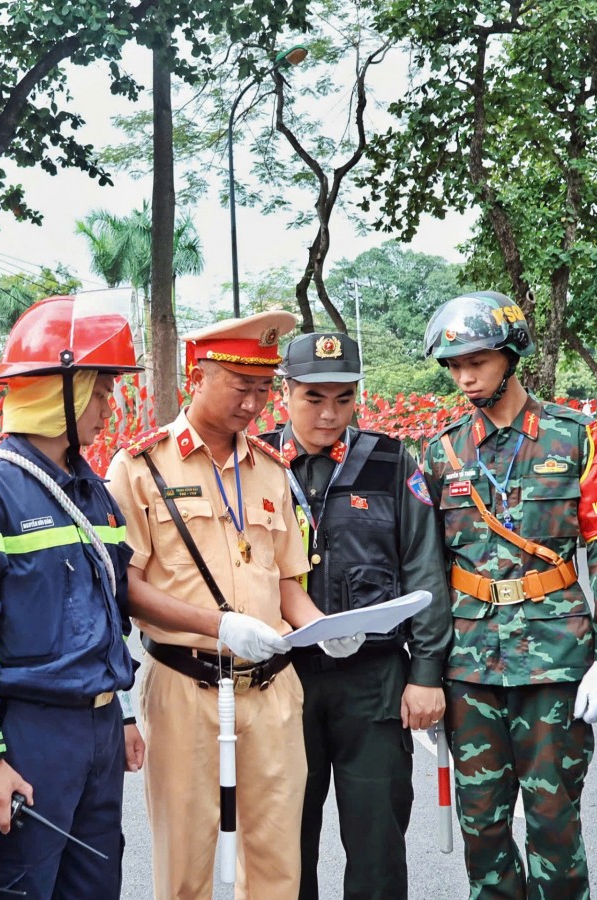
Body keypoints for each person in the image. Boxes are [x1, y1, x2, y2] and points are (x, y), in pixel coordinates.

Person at [106, 311, 351, 900]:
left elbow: (288, 583)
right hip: (187, 689)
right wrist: (220, 625)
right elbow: (126, 587)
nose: (255, 403)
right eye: (242, 387)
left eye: (265, 389)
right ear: (198, 374)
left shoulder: (271, 469)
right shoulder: (140, 467)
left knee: (274, 864)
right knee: (186, 864)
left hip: (271, 692)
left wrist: (323, 628)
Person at [418, 291, 597, 899]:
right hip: (469, 666)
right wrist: (426, 672)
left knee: (553, 821)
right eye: (454, 366)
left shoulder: (576, 437)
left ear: (512, 355)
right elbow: (428, 569)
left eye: (478, 361)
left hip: (554, 660)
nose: (465, 376)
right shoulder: (441, 452)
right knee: (481, 826)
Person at [0, 296, 147, 899]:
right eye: (99, 391)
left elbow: (106, 613)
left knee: (94, 889)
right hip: (26, 733)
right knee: (16, 889)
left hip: (98, 731)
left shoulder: (92, 489)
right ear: (63, 392)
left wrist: (120, 711)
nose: (110, 405)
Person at [258, 332, 451, 900]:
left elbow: (424, 567)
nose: (329, 413)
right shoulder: (256, 463)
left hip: (374, 678)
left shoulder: (391, 462)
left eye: (343, 399)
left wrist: (426, 674)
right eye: (314, 398)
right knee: (286, 841)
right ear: (285, 393)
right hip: (282, 678)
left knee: (377, 839)